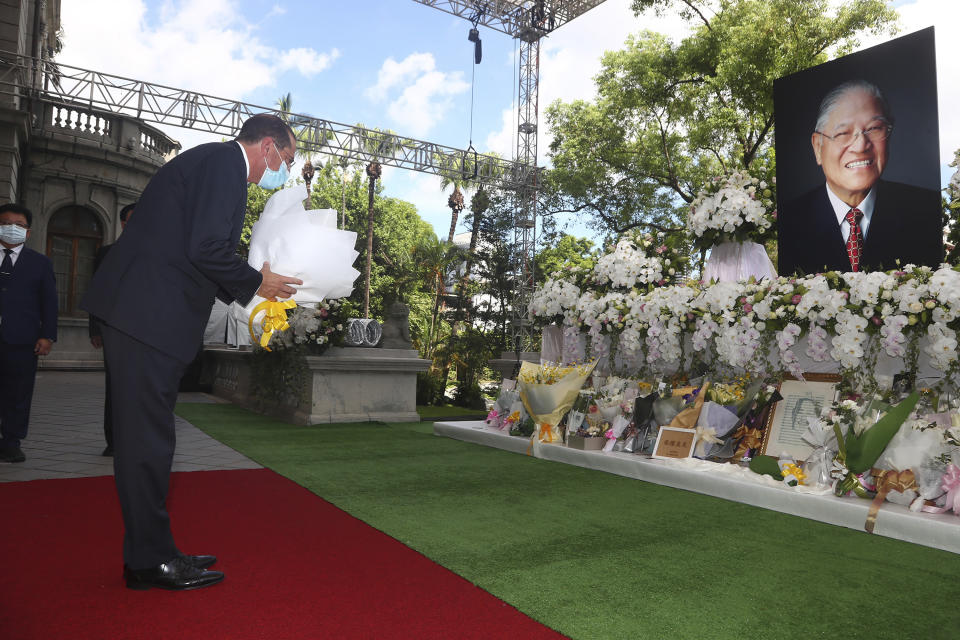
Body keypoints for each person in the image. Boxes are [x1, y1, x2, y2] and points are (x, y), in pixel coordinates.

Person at [80, 114, 303, 591]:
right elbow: (206, 247)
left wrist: (248, 286)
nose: (281, 171)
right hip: (147, 316)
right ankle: (150, 562)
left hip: (145, 313)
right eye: (284, 160)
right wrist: (257, 282)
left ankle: (153, 552)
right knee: (146, 443)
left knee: (149, 440)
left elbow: (191, 250)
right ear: (267, 146)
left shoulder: (210, 162)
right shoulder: (227, 164)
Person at [778, 79, 943, 275]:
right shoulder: (788, 222)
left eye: (874, 129)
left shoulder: (926, 209)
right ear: (818, 146)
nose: (861, 145)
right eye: (843, 133)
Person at [0, 203, 57, 463]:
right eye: (6, 223)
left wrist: (47, 336)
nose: (12, 229)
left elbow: (49, 302)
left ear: (28, 231)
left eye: (19, 225)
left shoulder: (40, 263)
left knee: (18, 393)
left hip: (22, 340)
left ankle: (11, 442)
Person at [89, 202, 135, 457]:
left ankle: (137, 440)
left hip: (148, 332)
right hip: (114, 330)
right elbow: (96, 292)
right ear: (123, 224)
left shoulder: (160, 254)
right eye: (132, 220)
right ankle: (114, 440)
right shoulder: (107, 253)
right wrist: (94, 328)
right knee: (116, 386)